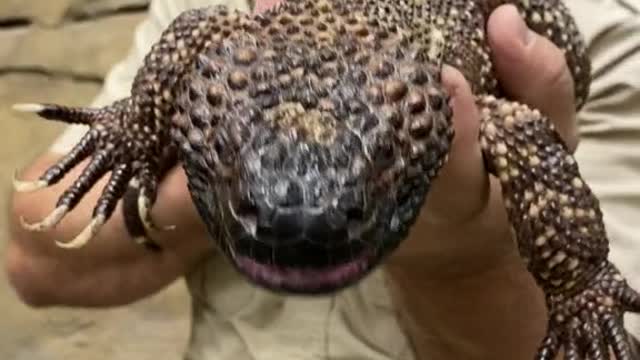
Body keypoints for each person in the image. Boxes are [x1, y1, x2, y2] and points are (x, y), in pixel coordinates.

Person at [5, 0, 640, 359]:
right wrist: (157, 134)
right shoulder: (228, 27)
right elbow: (35, 261)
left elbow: (523, 131)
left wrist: (573, 280)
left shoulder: (603, 26)